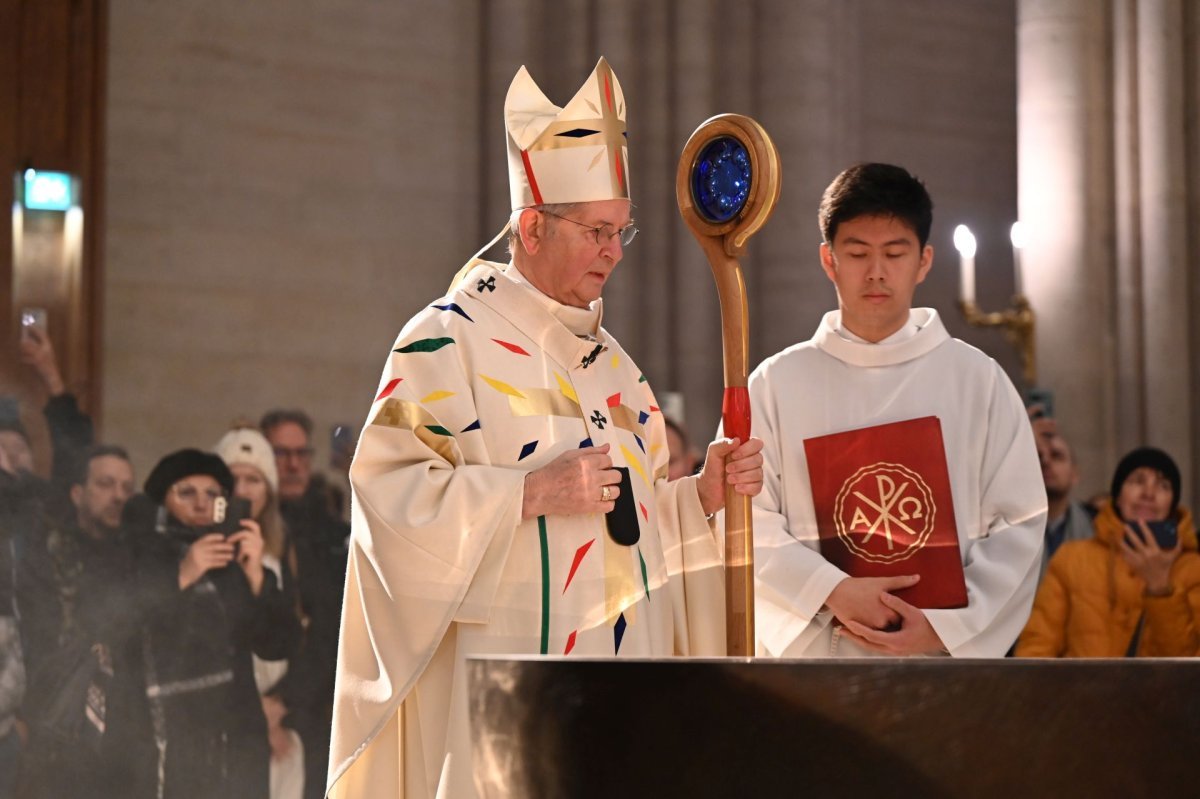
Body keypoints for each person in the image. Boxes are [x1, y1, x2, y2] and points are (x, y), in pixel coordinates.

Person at [326, 57, 763, 798]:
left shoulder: (617, 369)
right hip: (506, 701)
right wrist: (525, 493)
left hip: (624, 701)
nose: (613, 253)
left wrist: (699, 501)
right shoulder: (442, 342)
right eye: (596, 231)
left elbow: (635, 536)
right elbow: (385, 501)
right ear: (531, 225)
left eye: (622, 232)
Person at [748, 162, 1046, 659]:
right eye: (858, 252)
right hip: (817, 660)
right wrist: (832, 591)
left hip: (937, 661)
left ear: (924, 261)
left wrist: (946, 631)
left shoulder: (978, 381)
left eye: (895, 253)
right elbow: (743, 520)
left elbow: (1021, 524)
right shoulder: (775, 384)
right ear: (829, 260)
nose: (876, 272)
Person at [128, 449, 302, 798]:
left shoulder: (233, 563)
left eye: (212, 495)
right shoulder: (139, 551)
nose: (200, 504)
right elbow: (124, 627)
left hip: (234, 739)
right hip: (161, 739)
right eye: (186, 492)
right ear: (163, 498)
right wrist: (183, 574)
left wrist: (256, 577)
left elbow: (280, 644)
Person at [14, 445, 142, 798]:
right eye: (105, 484)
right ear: (77, 493)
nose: (118, 496)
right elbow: (34, 643)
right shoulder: (48, 556)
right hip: (57, 728)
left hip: (127, 731)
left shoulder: (141, 559)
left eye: (127, 488)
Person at [1015, 447, 1200, 657]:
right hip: (1082, 690)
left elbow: (1189, 668)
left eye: (1163, 485)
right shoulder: (1072, 559)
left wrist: (1159, 588)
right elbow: (1037, 647)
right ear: (1118, 497)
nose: (1148, 493)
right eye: (1138, 481)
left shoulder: (1193, 568)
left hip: (1161, 690)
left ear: (1172, 504)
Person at [214, 427, 306, 799]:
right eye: (233, 478)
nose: (243, 489)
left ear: (268, 489)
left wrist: (278, 706)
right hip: (225, 711)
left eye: (253, 479)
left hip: (278, 706)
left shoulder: (286, 550)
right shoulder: (201, 548)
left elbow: (295, 638)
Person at [260, 410, 346, 799]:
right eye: (281, 454)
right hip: (256, 700)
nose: (293, 464)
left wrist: (285, 701)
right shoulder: (252, 530)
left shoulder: (335, 534)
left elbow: (333, 628)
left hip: (319, 704)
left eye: (301, 454)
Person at [1031, 416, 1094, 580]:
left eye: (1057, 456)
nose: (1046, 462)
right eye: (1038, 456)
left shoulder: (1096, 527)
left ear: (1074, 473)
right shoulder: (1005, 528)